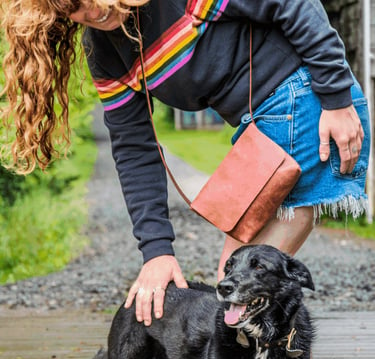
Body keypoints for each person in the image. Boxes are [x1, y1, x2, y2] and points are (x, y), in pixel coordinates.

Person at [1, 0, 370, 328]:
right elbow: (134, 148)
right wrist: (157, 252)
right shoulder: (105, 53)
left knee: (236, 288)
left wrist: (336, 100)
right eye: (73, 10)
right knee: (240, 290)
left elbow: (293, 5)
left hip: (309, 97)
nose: (92, 11)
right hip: (262, 124)